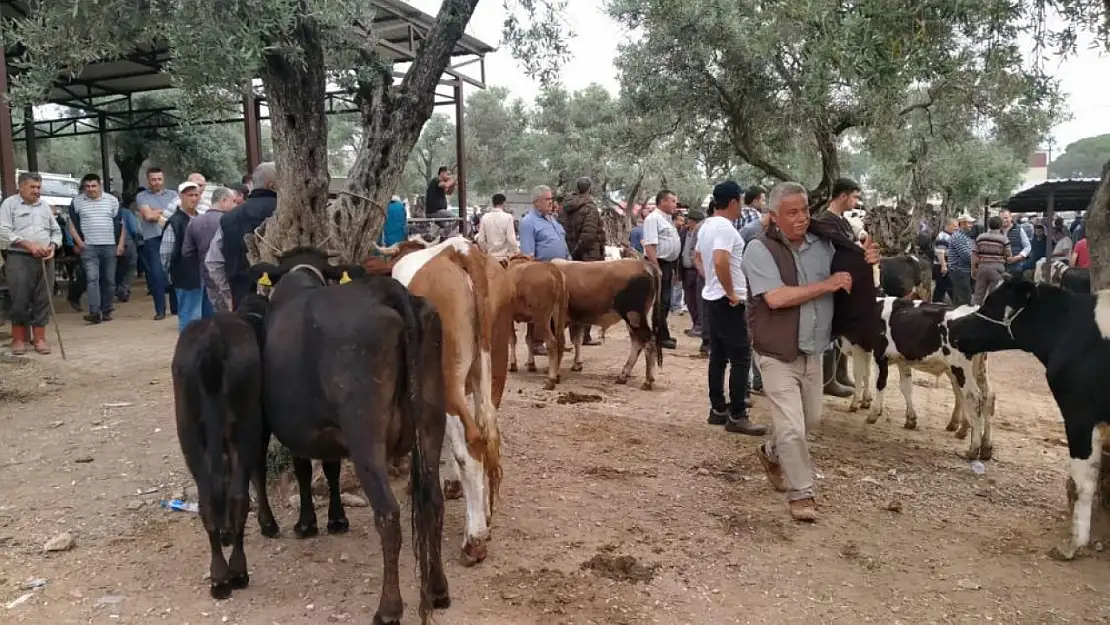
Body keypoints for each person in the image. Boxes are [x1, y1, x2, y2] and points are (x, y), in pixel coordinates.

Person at [742, 181, 879, 522]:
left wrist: (865, 262)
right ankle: (801, 493)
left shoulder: (824, 244)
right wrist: (828, 285)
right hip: (776, 352)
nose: (802, 218)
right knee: (792, 428)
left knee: (808, 422)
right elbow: (776, 298)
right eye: (792, 213)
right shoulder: (759, 249)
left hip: (814, 351)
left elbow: (849, 270)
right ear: (773, 216)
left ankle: (771, 453)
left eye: (804, 210)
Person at [695, 181, 769, 436]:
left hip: (712, 298)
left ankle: (718, 409)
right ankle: (737, 414)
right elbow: (720, 259)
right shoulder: (725, 228)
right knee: (740, 358)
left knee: (718, 356)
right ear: (734, 202)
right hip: (728, 301)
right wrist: (731, 292)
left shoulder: (706, 226)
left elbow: (698, 257)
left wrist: (711, 282)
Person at [0, 171, 63, 354]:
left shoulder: (44, 207)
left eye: (38, 187)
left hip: (44, 259)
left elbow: (56, 231)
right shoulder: (9, 204)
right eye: (33, 187)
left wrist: (52, 246)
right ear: (21, 187)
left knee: (43, 298)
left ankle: (40, 338)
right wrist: (27, 244)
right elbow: (3, 230)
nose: (37, 191)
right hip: (19, 257)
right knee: (20, 298)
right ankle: (19, 339)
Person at [811, 177, 861, 398]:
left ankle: (840, 374)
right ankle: (828, 380)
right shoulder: (825, 221)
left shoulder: (841, 221)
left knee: (841, 331)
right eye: (855, 196)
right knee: (830, 333)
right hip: (829, 282)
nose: (857, 201)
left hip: (843, 284)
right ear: (843, 196)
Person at [211, 161, 278, 310]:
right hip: (283, 300)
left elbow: (214, 262)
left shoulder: (228, 218)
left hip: (243, 299)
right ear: (273, 185)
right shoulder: (289, 213)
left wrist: (229, 293)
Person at [68, 173, 124, 324]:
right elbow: (72, 224)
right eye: (87, 186)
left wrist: (120, 244)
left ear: (100, 184)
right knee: (92, 279)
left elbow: (121, 224)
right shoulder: (77, 202)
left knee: (109, 280)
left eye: (93, 186)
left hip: (109, 245)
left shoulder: (112, 201)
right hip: (89, 246)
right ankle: (94, 311)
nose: (91, 189)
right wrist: (79, 243)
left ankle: (106, 310)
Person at [561, 177, 605, 346]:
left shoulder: (565, 208)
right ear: (590, 189)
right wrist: (576, 252)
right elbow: (588, 236)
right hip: (589, 258)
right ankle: (584, 336)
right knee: (589, 296)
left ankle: (568, 333)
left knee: (570, 295)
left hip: (571, 255)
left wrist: (570, 252)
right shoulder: (590, 208)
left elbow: (563, 229)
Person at [161, 181, 206, 333]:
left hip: (202, 274)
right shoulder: (175, 222)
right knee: (190, 316)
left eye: (196, 195)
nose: (193, 198)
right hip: (185, 275)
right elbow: (165, 253)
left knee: (202, 316)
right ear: (181, 197)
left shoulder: (200, 218)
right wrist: (171, 273)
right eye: (189, 195)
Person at [184, 186, 236, 317]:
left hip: (207, 278)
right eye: (233, 201)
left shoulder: (194, 222)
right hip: (229, 278)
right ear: (223, 201)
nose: (236, 205)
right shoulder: (229, 221)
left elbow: (187, 252)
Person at [135, 167, 178, 320]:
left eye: (159, 179)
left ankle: (175, 308)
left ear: (163, 179)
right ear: (148, 180)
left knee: (174, 271)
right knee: (156, 274)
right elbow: (148, 216)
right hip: (152, 238)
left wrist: (157, 212)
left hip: (172, 236)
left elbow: (177, 215)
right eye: (153, 179)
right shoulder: (142, 196)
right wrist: (165, 212)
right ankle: (160, 310)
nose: (156, 182)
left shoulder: (173, 194)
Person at [642, 189, 682, 350]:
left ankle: (662, 333)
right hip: (658, 263)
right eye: (672, 201)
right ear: (662, 201)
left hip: (668, 264)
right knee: (660, 301)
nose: (675, 204)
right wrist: (656, 267)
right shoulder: (653, 219)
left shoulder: (666, 219)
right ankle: (659, 335)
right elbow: (650, 245)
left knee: (665, 301)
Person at [519, 185, 569, 262]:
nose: (550, 202)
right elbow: (527, 256)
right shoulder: (528, 222)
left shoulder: (552, 219)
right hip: (544, 271)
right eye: (547, 199)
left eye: (551, 199)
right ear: (537, 202)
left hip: (563, 268)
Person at [972, 216, 1010, 305]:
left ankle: (974, 312)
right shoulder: (1004, 239)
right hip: (997, 269)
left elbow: (974, 254)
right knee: (994, 294)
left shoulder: (980, 237)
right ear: (1000, 226)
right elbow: (1008, 255)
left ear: (989, 225)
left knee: (978, 294)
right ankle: (989, 314)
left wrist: (973, 268)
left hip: (982, 267)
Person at [680, 209, 706, 338]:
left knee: (698, 299)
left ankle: (701, 326)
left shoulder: (701, 232)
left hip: (697, 270)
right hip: (686, 270)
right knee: (689, 299)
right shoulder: (685, 232)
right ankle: (695, 324)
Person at [476, 193, 519, 260]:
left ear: (493, 203)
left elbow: (481, 240)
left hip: (490, 258)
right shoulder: (508, 217)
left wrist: (485, 252)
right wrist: (517, 251)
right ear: (504, 203)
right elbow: (511, 239)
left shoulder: (485, 217)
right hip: (504, 258)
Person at [946, 214, 975, 306]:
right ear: (962, 224)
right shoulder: (958, 237)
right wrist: (978, 259)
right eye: (969, 223)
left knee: (962, 296)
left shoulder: (965, 236)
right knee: (963, 298)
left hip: (963, 271)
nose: (971, 225)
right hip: (959, 271)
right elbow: (966, 256)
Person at [999, 210, 1031, 276]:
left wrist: (1017, 257)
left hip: (1016, 265)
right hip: (999, 266)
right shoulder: (996, 230)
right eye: (1001, 218)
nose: (1004, 220)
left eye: (1006, 218)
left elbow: (1027, 246)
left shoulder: (1019, 229)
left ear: (1011, 217)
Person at [932, 218, 956, 303]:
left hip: (947, 264)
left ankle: (937, 303)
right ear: (948, 225)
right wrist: (944, 265)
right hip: (942, 265)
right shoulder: (943, 236)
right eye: (954, 226)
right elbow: (940, 252)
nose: (956, 228)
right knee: (945, 286)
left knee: (941, 287)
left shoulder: (949, 236)